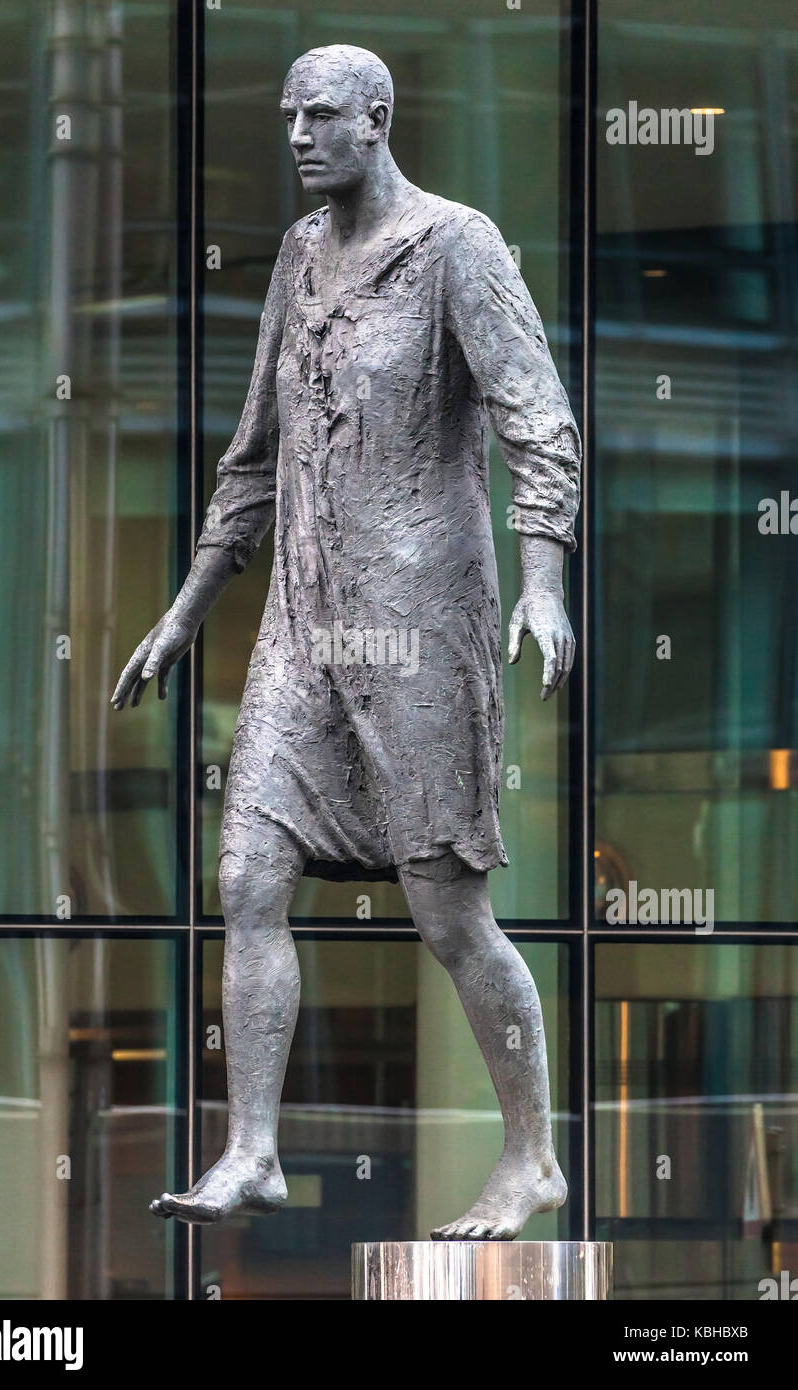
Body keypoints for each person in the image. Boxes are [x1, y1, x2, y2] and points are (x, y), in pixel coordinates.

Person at [112, 44, 580, 1239]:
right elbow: (254, 455)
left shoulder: (456, 246)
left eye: (320, 116)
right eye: (287, 117)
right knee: (244, 877)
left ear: (376, 120)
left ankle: (531, 1156)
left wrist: (543, 584)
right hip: (304, 627)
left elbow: (539, 422)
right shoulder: (296, 255)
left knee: (448, 917)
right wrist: (183, 611)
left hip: (422, 621)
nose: (297, 136)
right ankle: (253, 1148)